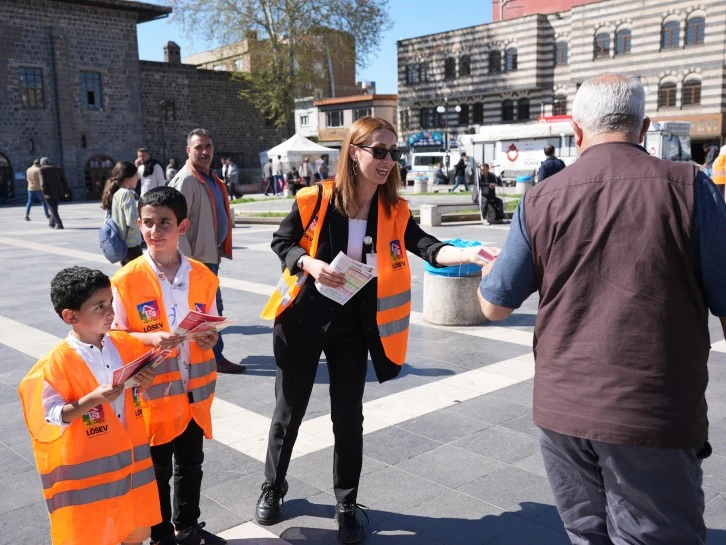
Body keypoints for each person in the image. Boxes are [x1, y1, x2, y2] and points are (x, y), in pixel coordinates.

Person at [478, 74, 726, 545]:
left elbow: (494, 306)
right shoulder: (690, 187)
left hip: (562, 411)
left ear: (576, 131)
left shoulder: (539, 199)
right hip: (652, 411)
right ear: (644, 126)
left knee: (586, 534)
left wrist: (489, 273)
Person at [255, 117, 489, 544]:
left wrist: (467, 255)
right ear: (354, 151)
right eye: (378, 151)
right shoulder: (316, 198)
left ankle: (346, 502)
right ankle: (274, 484)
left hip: (353, 328)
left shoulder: (394, 210)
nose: (387, 160)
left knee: (349, 419)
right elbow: (282, 242)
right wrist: (309, 264)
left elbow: (427, 246)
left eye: (392, 152)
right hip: (303, 318)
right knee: (288, 411)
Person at [111, 187, 227, 545]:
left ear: (183, 226)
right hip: (155, 393)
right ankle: (160, 532)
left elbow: (207, 321)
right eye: (148, 223)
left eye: (164, 222)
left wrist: (209, 338)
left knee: (191, 462)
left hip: (193, 389)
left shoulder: (203, 276)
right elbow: (115, 335)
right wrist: (150, 339)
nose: (155, 231)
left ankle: (187, 523)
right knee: (157, 468)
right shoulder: (126, 280)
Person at [18, 266, 161, 545]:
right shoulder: (55, 364)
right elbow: (52, 415)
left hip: (130, 462)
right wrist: (91, 400)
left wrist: (144, 381)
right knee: (96, 531)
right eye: (99, 307)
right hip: (91, 470)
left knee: (137, 528)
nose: (110, 312)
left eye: (111, 303)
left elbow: (135, 393)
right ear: (71, 316)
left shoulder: (124, 344)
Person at [169, 129, 244, 374]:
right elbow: (175, 224)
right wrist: (188, 262)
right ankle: (213, 356)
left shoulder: (209, 177)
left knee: (209, 308)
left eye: (208, 147)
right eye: (199, 147)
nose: (204, 151)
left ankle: (208, 355)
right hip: (197, 260)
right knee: (212, 309)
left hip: (208, 255)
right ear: (188, 150)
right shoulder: (187, 179)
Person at [101, 161, 143, 265]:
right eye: (136, 175)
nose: (138, 178)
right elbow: (132, 221)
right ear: (127, 177)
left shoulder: (115, 192)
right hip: (132, 244)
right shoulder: (126, 193)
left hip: (121, 242)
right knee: (137, 275)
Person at [40, 157, 69, 229]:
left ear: (42, 163)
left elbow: (43, 183)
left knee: (52, 208)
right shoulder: (58, 169)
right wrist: (66, 191)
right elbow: (64, 181)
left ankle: (59, 224)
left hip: (49, 192)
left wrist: (44, 192)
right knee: (54, 207)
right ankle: (51, 223)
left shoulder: (42, 170)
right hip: (58, 192)